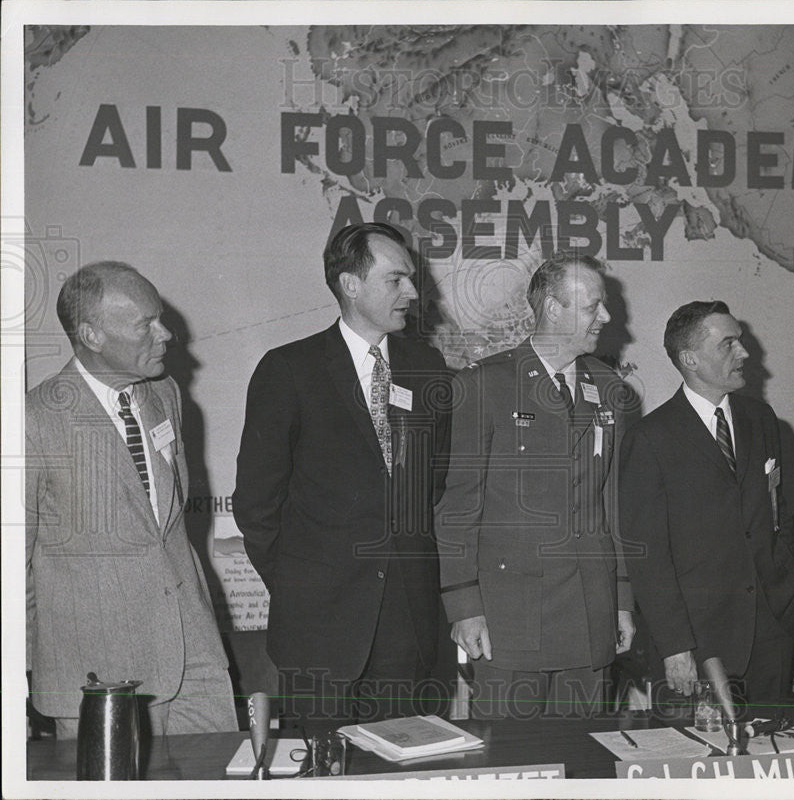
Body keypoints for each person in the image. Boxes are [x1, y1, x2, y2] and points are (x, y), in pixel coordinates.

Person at [233, 222, 451, 731]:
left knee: (402, 778)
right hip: (319, 628)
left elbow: (432, 485)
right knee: (323, 774)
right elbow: (257, 505)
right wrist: (300, 586)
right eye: (396, 279)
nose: (413, 293)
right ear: (350, 285)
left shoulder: (428, 367)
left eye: (412, 279)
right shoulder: (289, 369)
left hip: (407, 627)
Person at [25, 261, 237, 738]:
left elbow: (165, 530)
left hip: (195, 660)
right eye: (146, 324)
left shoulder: (165, 395)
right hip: (98, 679)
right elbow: (12, 568)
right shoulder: (35, 420)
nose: (166, 334)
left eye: (160, 318)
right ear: (92, 335)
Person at [434, 252, 635, 718]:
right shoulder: (485, 385)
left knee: (588, 764)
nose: (605, 317)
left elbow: (614, 505)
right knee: (511, 762)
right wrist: (464, 606)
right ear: (552, 308)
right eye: (593, 307)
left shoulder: (608, 388)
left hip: (590, 611)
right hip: (511, 618)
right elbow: (457, 507)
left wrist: (622, 599)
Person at [618, 301, 794, 704]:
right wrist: (673, 646)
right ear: (690, 359)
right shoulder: (650, 439)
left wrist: (788, 597)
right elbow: (647, 556)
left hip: (770, 635)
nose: (745, 353)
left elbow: (778, 516)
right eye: (729, 344)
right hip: (696, 646)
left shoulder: (762, 419)